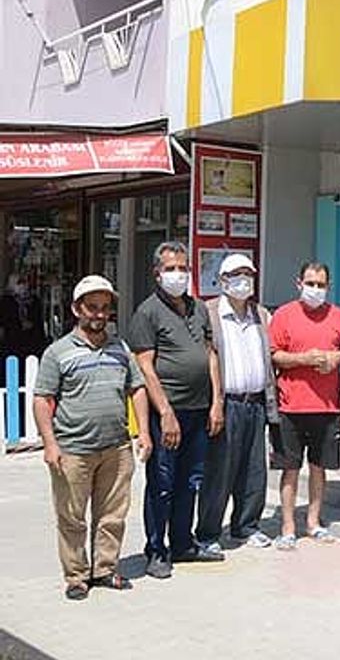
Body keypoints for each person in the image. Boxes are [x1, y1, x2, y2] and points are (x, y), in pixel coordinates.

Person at [33, 275, 152, 600]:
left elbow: (137, 389)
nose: (99, 314)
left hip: (116, 448)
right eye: (92, 307)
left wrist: (143, 432)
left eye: (105, 307)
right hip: (73, 450)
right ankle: (76, 576)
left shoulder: (120, 349)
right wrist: (50, 444)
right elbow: (42, 399)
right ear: (77, 309)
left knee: (112, 515)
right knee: (72, 517)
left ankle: (104, 569)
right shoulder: (58, 353)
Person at [129, 241, 223, 579]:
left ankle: (183, 544)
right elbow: (145, 367)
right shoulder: (147, 312)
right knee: (163, 483)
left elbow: (210, 354)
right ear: (157, 273)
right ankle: (156, 550)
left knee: (191, 481)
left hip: (200, 410)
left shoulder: (198, 309)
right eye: (171, 269)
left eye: (183, 268)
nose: (178, 274)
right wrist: (165, 412)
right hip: (167, 413)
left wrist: (217, 401)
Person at [195, 254, 278, 552]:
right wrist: (215, 403)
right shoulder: (209, 312)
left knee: (254, 471)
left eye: (248, 274)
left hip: (255, 402)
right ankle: (207, 533)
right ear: (223, 280)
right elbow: (207, 357)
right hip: (226, 403)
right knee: (219, 470)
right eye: (236, 274)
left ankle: (246, 526)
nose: (244, 280)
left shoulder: (261, 314)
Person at [268, 261, 340, 550]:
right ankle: (288, 526)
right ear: (299, 283)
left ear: (329, 286)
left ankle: (314, 522)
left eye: (321, 285)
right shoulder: (283, 315)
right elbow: (274, 355)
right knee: (290, 468)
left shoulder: (339, 316)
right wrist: (303, 359)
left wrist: (335, 358)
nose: (315, 289)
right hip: (290, 406)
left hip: (327, 407)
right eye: (310, 283)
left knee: (319, 467)